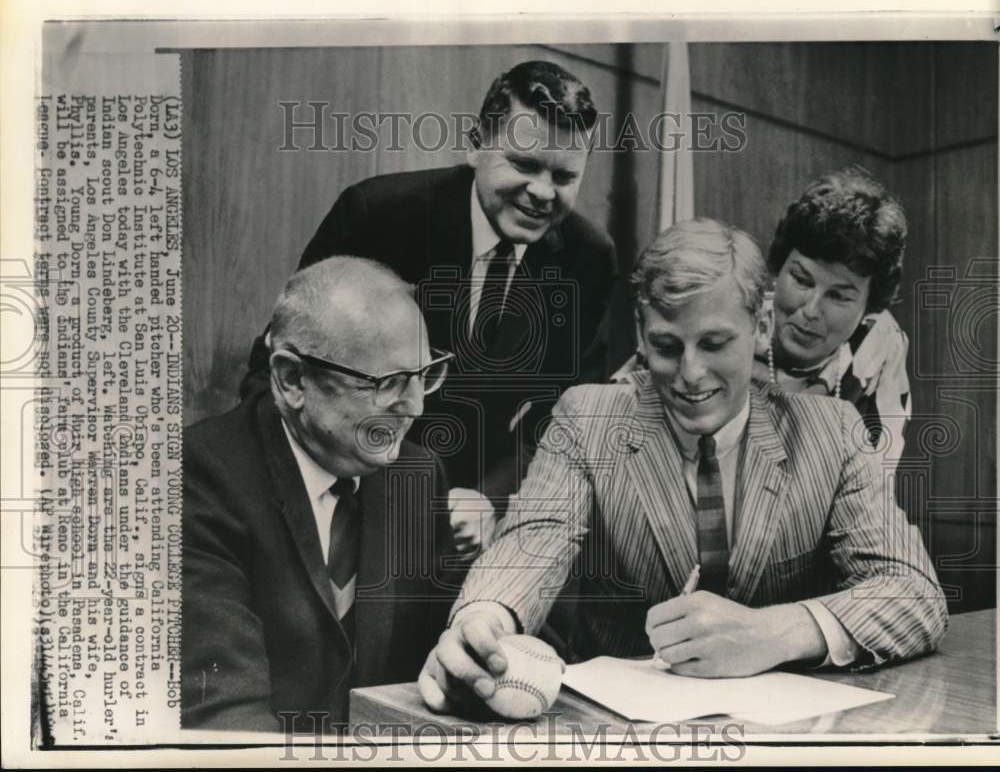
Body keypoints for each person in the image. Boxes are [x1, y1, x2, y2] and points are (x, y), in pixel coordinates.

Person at [418, 218, 947, 713]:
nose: (691, 374)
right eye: (668, 346)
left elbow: (915, 594)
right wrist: (483, 617)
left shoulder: (833, 431)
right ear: (641, 335)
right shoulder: (587, 418)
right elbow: (531, 541)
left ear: (761, 326)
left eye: (715, 343)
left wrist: (775, 633)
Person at [243, 60, 617, 556]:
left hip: (470, 527)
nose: (543, 192)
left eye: (565, 176)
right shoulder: (379, 216)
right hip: (352, 496)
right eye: (524, 165)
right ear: (475, 144)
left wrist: (494, 497)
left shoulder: (589, 259)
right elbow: (274, 377)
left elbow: (567, 418)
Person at [183, 257, 458, 733]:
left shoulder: (417, 473)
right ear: (292, 379)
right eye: (387, 383)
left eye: (424, 375)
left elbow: (441, 648)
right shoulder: (199, 477)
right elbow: (224, 717)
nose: (415, 407)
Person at [756, 167, 911, 474]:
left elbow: (875, 486)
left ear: (869, 308)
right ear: (779, 266)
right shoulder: (731, 327)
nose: (811, 310)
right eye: (801, 280)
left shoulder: (880, 345)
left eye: (839, 296)